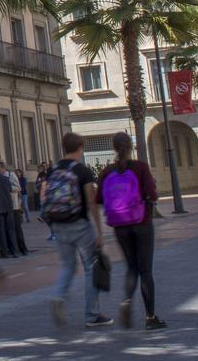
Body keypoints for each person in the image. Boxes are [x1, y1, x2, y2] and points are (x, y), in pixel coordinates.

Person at [96, 132, 165, 330]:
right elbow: (152, 194)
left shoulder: (107, 171)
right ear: (130, 147)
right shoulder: (140, 167)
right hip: (142, 222)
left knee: (131, 267)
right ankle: (150, 317)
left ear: (114, 148)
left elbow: (100, 198)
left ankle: (126, 300)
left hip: (119, 226)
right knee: (145, 270)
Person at [44, 132, 112, 328]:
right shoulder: (82, 171)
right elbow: (91, 202)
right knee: (91, 267)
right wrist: (99, 230)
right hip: (79, 224)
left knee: (68, 265)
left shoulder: (53, 169)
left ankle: (58, 295)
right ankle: (92, 315)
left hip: (58, 223)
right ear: (80, 147)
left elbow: (47, 197)